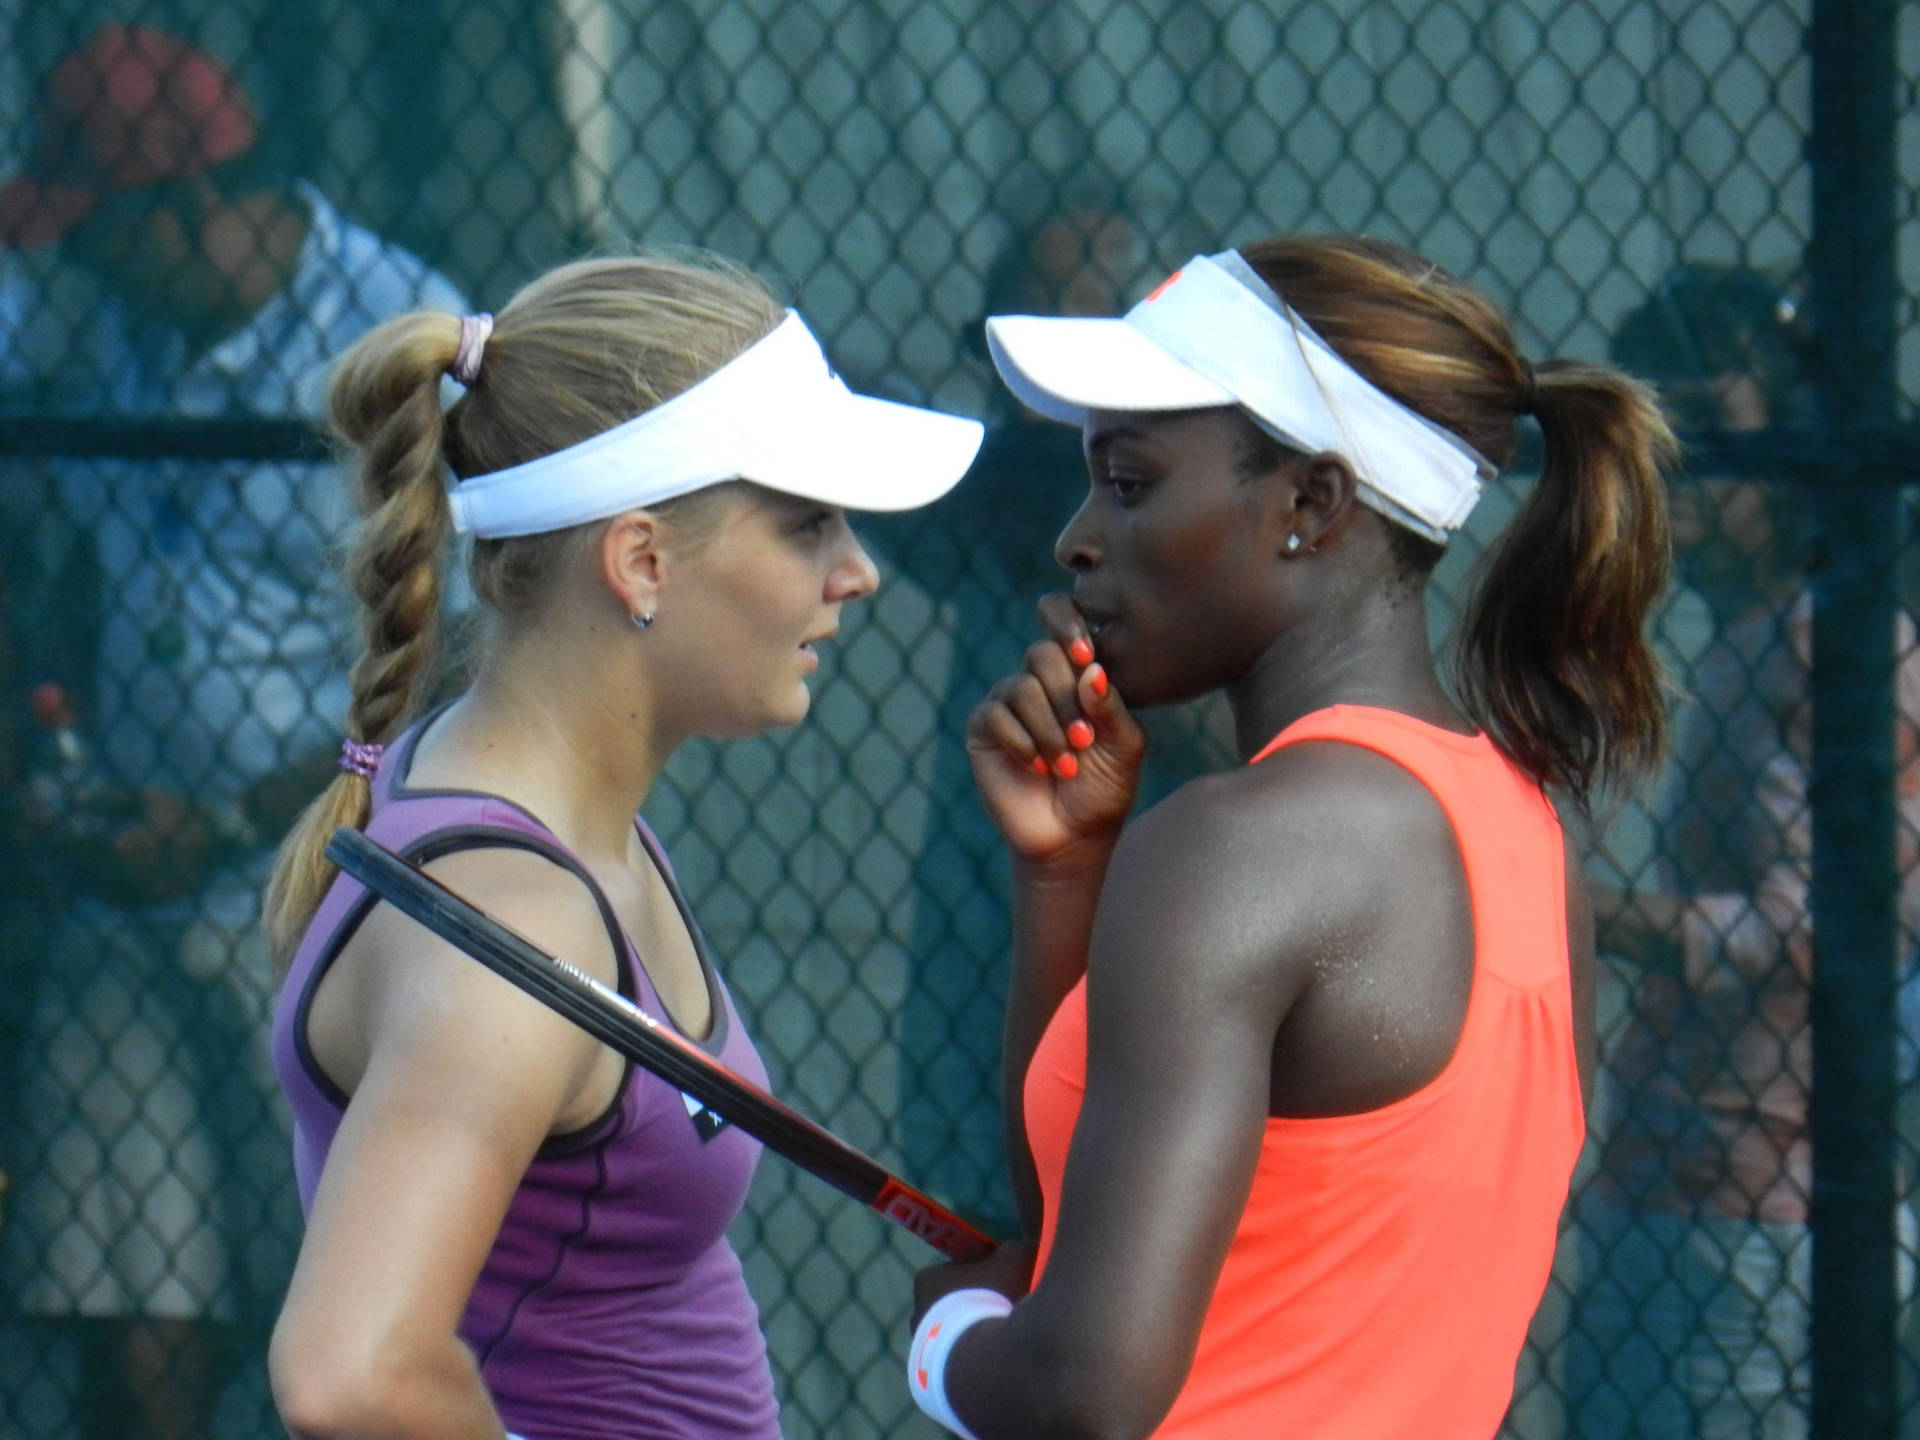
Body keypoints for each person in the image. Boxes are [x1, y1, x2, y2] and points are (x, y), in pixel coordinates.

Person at [897, 235, 1676, 1439]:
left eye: (1131, 481)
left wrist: (947, 1348)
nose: (1076, 539)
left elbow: (1082, 1391)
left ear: (1311, 502)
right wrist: (1064, 871)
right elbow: (1075, 1220)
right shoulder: (1523, 835)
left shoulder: (1237, 848)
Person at [261, 252, 982, 1438]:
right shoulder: (513, 926)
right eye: (808, 525)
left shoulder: (533, 819)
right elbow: (353, 1375)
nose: (856, 574)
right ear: (641, 561)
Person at [0, 22, 470, 1440]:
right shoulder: (101, 321)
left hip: (327, 891)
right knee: (124, 1301)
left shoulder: (398, 339)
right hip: (129, 886)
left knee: (336, 1332)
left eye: (101, 233)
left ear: (196, 207)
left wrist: (226, 822)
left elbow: (455, 686)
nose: (71, 261)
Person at [1568, 264, 1920, 1439]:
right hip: (1670, 1188)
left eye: (1719, 437)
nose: (1690, 486)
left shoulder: (1845, 645)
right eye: (1667, 445)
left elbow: (1830, 928)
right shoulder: (1747, 640)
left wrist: (1576, 910)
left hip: (1761, 1217)